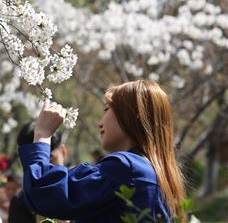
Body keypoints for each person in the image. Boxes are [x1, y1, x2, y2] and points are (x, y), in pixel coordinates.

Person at [19, 80, 185, 222]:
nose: (100, 122)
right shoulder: (156, 173)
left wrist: (42, 134)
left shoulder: (126, 168)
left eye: (107, 109)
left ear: (132, 115)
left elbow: (43, 192)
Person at [8, 123, 67, 223]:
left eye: (50, 159)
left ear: (63, 151)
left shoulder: (81, 193)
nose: (43, 170)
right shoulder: (20, 204)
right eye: (33, 164)